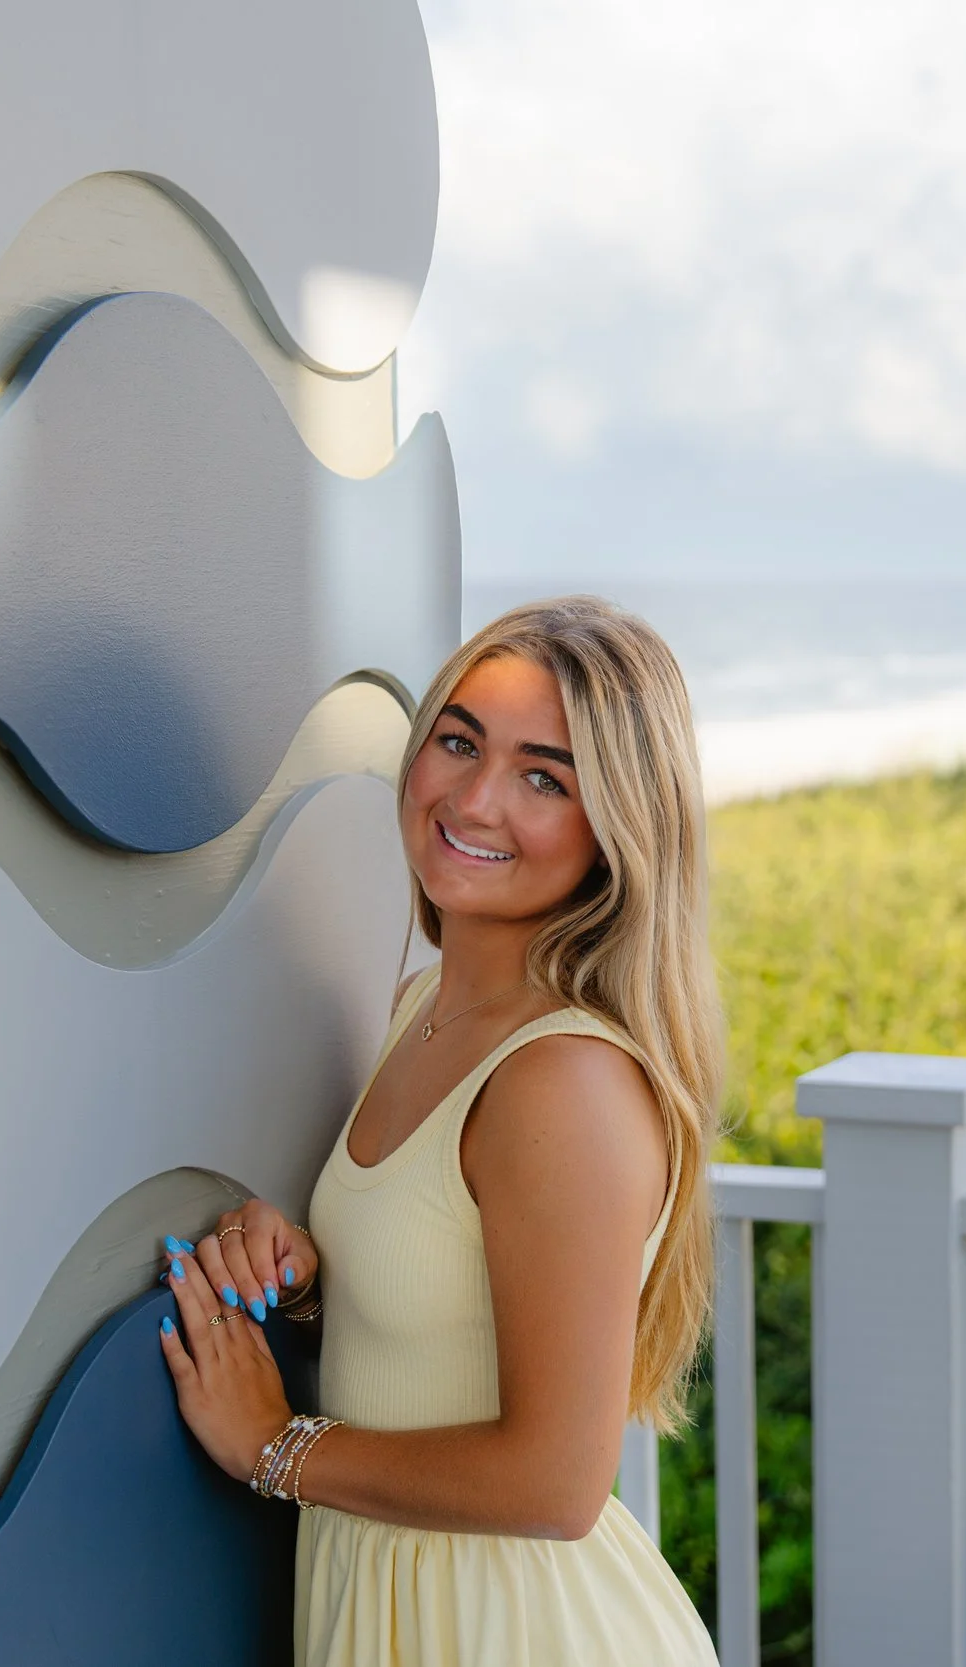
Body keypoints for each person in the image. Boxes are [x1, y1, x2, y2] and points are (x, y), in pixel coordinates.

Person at [155, 596, 724, 1665]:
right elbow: (453, 1292)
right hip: (400, 1601)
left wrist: (274, 1445)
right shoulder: (424, 1003)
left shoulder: (565, 1079)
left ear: (618, 827)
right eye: (458, 740)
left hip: (513, 1625)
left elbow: (555, 1482)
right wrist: (313, 1274)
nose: (472, 797)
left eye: (544, 776)